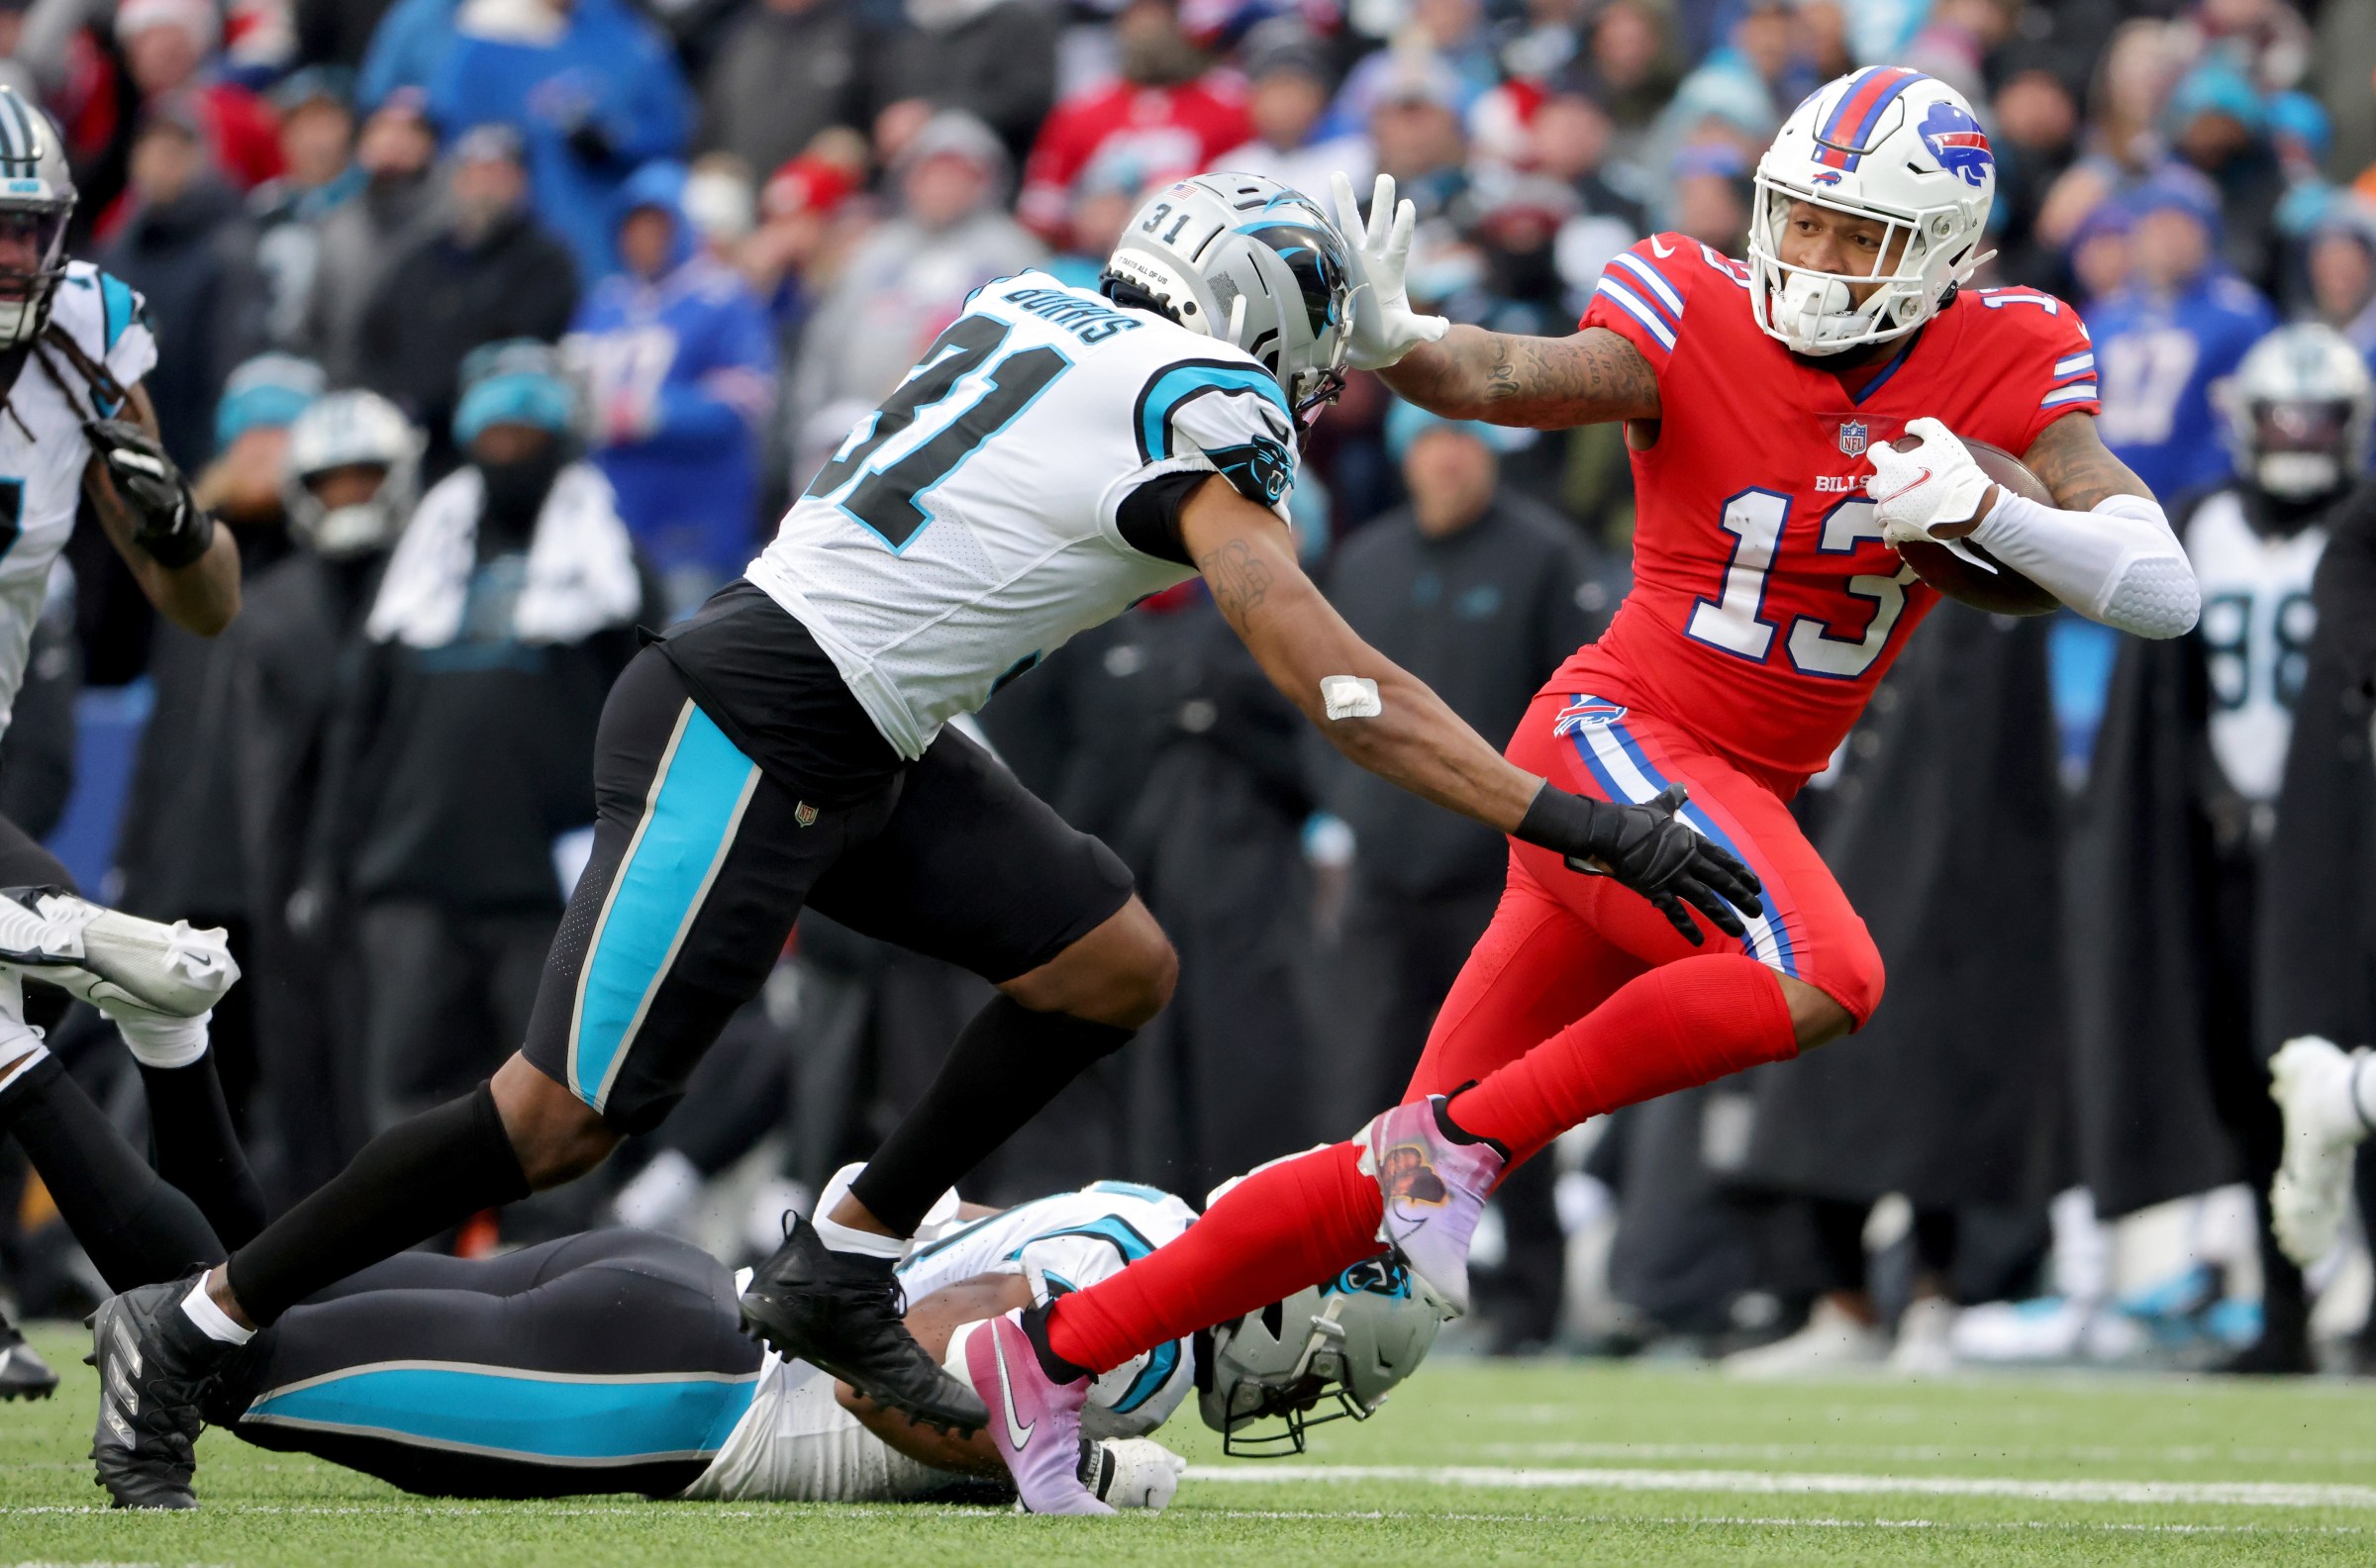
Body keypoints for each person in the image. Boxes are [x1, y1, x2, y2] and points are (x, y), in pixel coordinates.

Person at [89, 170, 1754, 1508]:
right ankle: (199, 1320)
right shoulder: (1198, 408)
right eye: (1313, 348)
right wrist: (1581, 820)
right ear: (1257, 327)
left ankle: (847, 1255)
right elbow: (1341, 685)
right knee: (557, 1120)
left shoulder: (1026, 301)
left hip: (863, 723)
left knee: (1108, 961)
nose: (1314, 390)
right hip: (751, 720)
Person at [958, 69, 2206, 1513]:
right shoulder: (1693, 303)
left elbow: (2161, 589)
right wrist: (1400, 336)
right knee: (1827, 976)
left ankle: (1040, 1360)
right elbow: (1504, 378)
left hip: (1727, 790)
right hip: (1613, 741)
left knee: (1375, 1195)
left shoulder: (2011, 352)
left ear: (1944, 251)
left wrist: (1992, 514)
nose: (1809, 261)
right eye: (1796, 221)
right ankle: (1466, 1148)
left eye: (1855, 237)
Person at [0, 86, 248, 1407]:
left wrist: (178, 527)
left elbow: (207, 607)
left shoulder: (84, 342)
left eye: (25, 231)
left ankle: (238, 1305)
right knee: (68, 957)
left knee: (155, 981)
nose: (9, 261)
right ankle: (220, 1320)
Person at [302, 343, 647, 1141]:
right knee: (405, 1107)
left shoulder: (612, 561)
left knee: (553, 1110)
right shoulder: (419, 555)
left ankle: (549, 1261)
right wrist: (334, 856)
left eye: (528, 432)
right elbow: (360, 719)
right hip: (412, 877)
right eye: (494, 435)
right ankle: (407, 1265)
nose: (509, 449)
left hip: (551, 891)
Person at [232, 390, 425, 1194]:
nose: (349, 495)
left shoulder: (428, 583)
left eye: (365, 476)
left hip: (398, 865)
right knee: (301, 1072)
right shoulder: (272, 607)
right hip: (292, 872)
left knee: (394, 1073)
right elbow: (249, 771)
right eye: (332, 480)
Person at [566, 161, 775, 618]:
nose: (643, 239)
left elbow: (746, 400)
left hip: (692, 517)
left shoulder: (722, 297)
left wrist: (648, 413)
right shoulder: (605, 303)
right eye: (633, 226)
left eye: (656, 226)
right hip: (613, 514)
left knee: (681, 650)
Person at [355, 125, 579, 472]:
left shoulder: (544, 260)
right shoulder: (423, 259)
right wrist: (389, 402)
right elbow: (374, 334)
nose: (485, 185)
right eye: (476, 172)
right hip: (411, 437)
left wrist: (437, 399)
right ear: (457, 181)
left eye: (497, 172)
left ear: (521, 182)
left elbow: (522, 343)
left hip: (498, 435)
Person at [423, 0, 693, 284]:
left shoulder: (625, 36)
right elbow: (450, 136)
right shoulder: (487, 36)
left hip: (606, 237)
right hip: (519, 250)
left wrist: (616, 139)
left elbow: (672, 125)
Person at [2086, 170, 2277, 504]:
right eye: (2158, 225)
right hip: (2108, 498)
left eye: (2182, 226)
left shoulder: (2240, 315)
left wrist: (2205, 494)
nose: (2169, 240)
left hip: (2198, 500)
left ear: (2206, 235)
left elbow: (2243, 427)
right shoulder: (2105, 315)